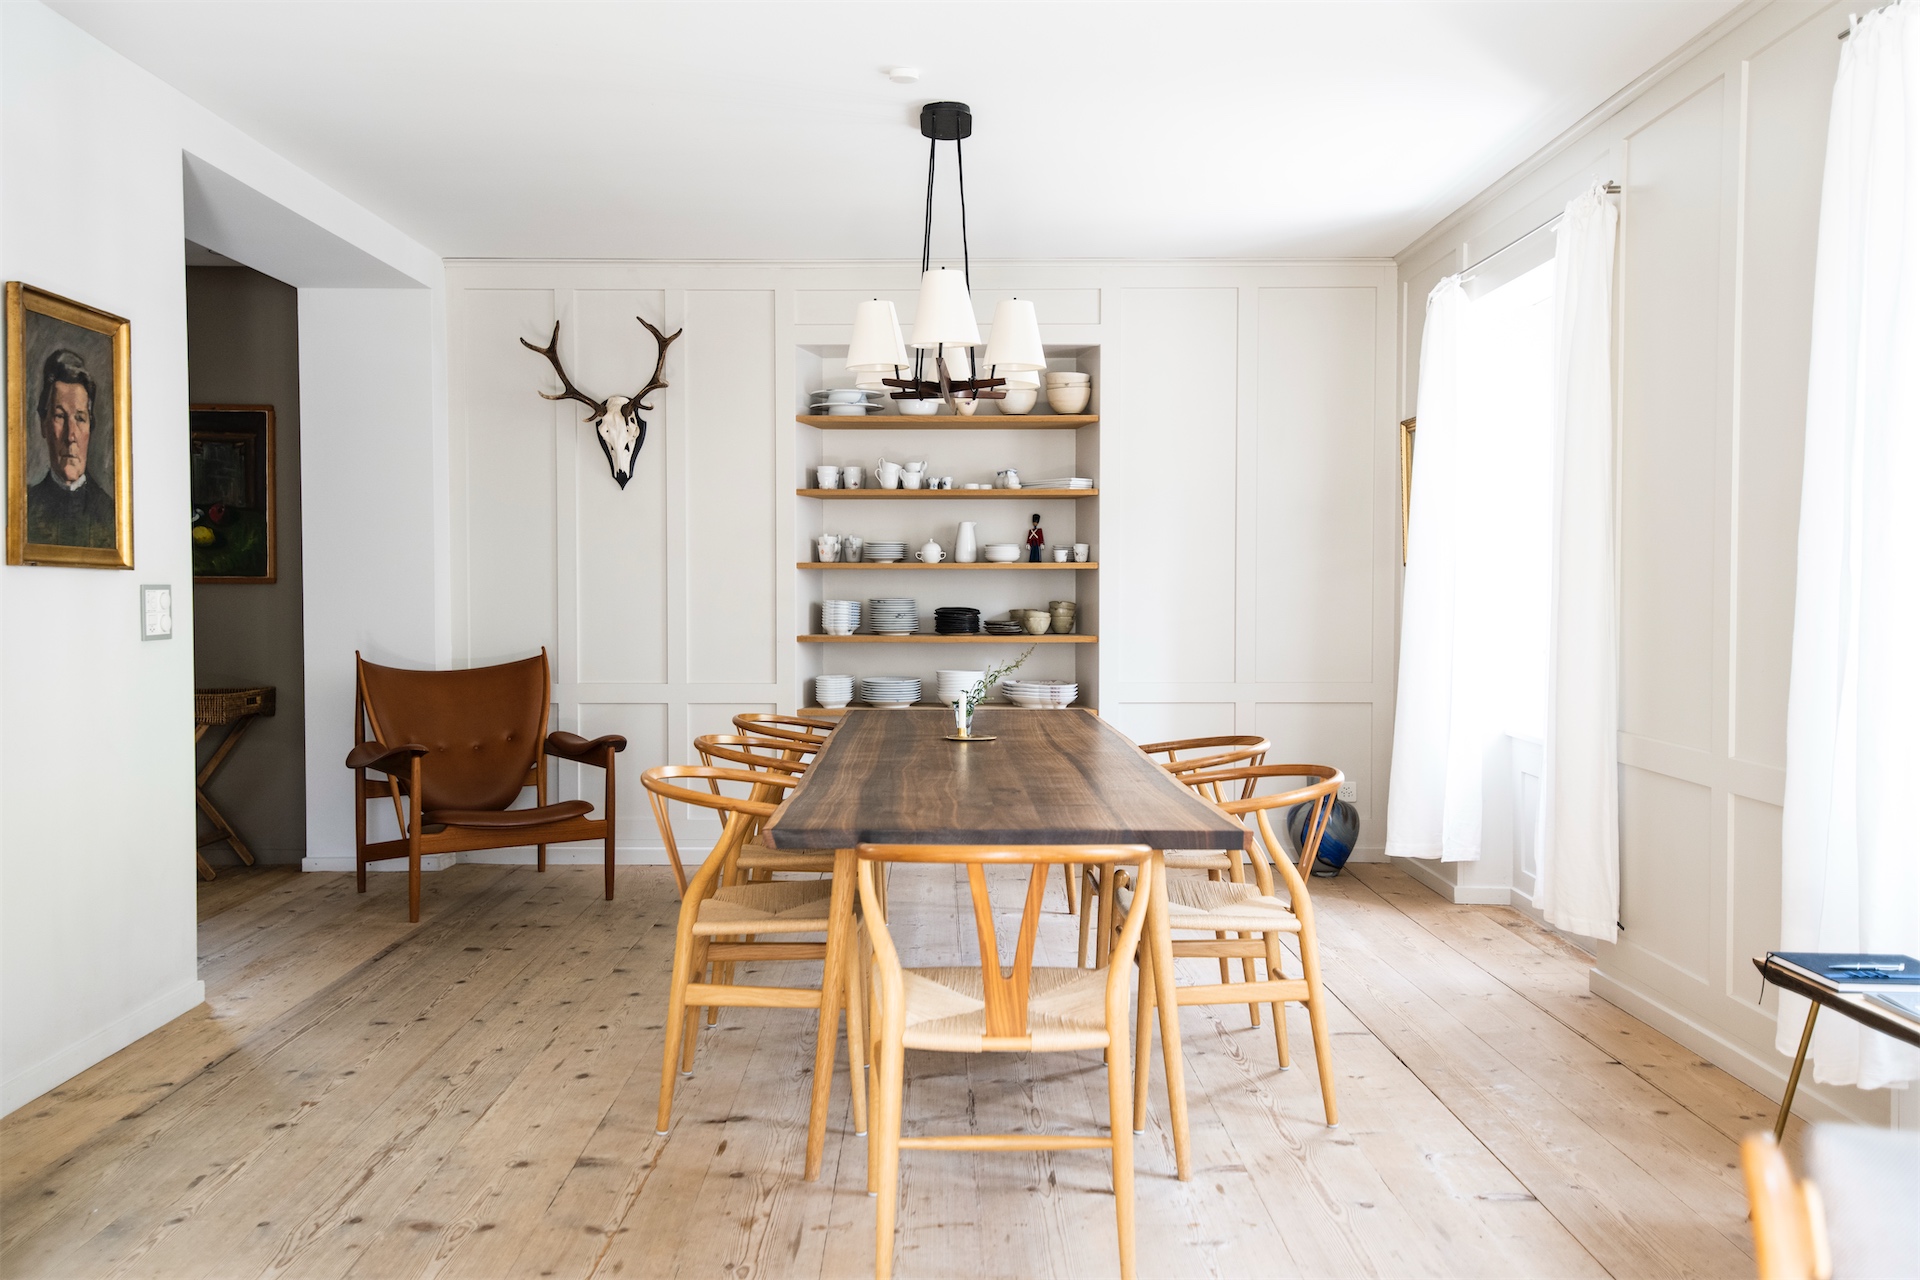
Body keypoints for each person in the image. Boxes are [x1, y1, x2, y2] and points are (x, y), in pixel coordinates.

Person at [25, 348, 114, 548]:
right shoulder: (25, 509)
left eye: (80, 418)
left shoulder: (111, 515)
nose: (70, 435)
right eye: (60, 416)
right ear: (44, 424)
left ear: (90, 427)